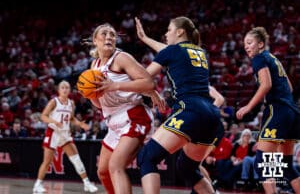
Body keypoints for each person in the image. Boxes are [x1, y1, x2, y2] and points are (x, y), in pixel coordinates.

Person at [135, 17, 221, 194]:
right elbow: (168, 51)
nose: (166, 33)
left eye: (169, 29)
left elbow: (144, 78)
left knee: (146, 158)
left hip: (189, 110)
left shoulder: (173, 51)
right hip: (211, 115)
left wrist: (117, 83)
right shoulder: (199, 51)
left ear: (180, 31)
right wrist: (145, 38)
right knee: (187, 168)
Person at [87, 23, 161, 194]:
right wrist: (90, 95)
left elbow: (149, 83)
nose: (109, 37)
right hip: (114, 120)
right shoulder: (94, 65)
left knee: (115, 166)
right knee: (103, 171)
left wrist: (115, 85)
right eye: (104, 34)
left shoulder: (121, 58)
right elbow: (99, 104)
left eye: (112, 34)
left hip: (134, 115)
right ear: (95, 40)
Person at [236, 27, 300, 194]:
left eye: (250, 43)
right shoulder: (273, 58)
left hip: (278, 110)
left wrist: (248, 107)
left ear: (261, 44)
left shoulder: (259, 58)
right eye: (244, 44)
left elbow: (266, 84)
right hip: (292, 111)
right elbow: (290, 87)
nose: (247, 46)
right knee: (286, 166)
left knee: (263, 163)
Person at [33, 81, 98, 193]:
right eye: (62, 87)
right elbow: (43, 116)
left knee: (77, 160)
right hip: (53, 132)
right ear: (59, 90)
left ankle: (87, 183)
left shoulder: (71, 103)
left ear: (69, 90)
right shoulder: (54, 102)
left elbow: (71, 118)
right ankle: (37, 185)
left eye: (67, 87)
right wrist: (55, 122)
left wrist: (80, 124)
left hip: (65, 134)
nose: (65, 89)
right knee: (47, 161)